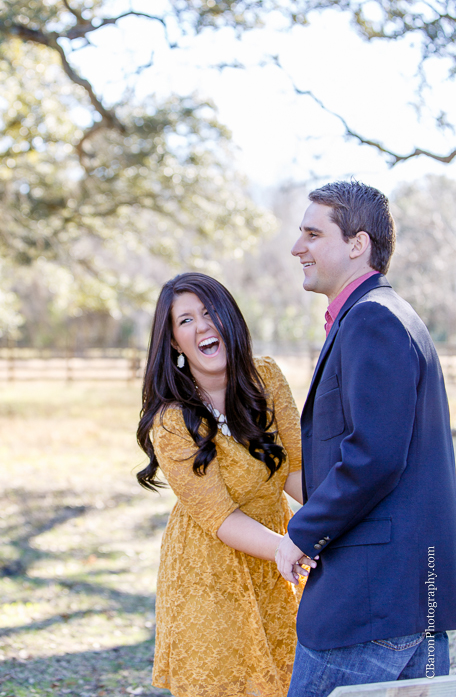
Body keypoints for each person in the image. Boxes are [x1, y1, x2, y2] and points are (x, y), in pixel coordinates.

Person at [275, 180, 456, 696]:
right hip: (407, 604)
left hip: (368, 604)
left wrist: (300, 534)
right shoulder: (381, 316)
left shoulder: (373, 320)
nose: (297, 247)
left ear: (357, 244)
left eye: (313, 233)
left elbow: (373, 457)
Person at [136, 272, 315, 697]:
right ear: (175, 344)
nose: (202, 325)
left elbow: (295, 471)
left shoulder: (266, 378)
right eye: (185, 321)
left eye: (209, 311)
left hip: (277, 556)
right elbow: (220, 517)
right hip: (209, 567)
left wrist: (343, 512)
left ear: (229, 318)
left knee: (289, 678)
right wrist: (284, 548)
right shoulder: (172, 422)